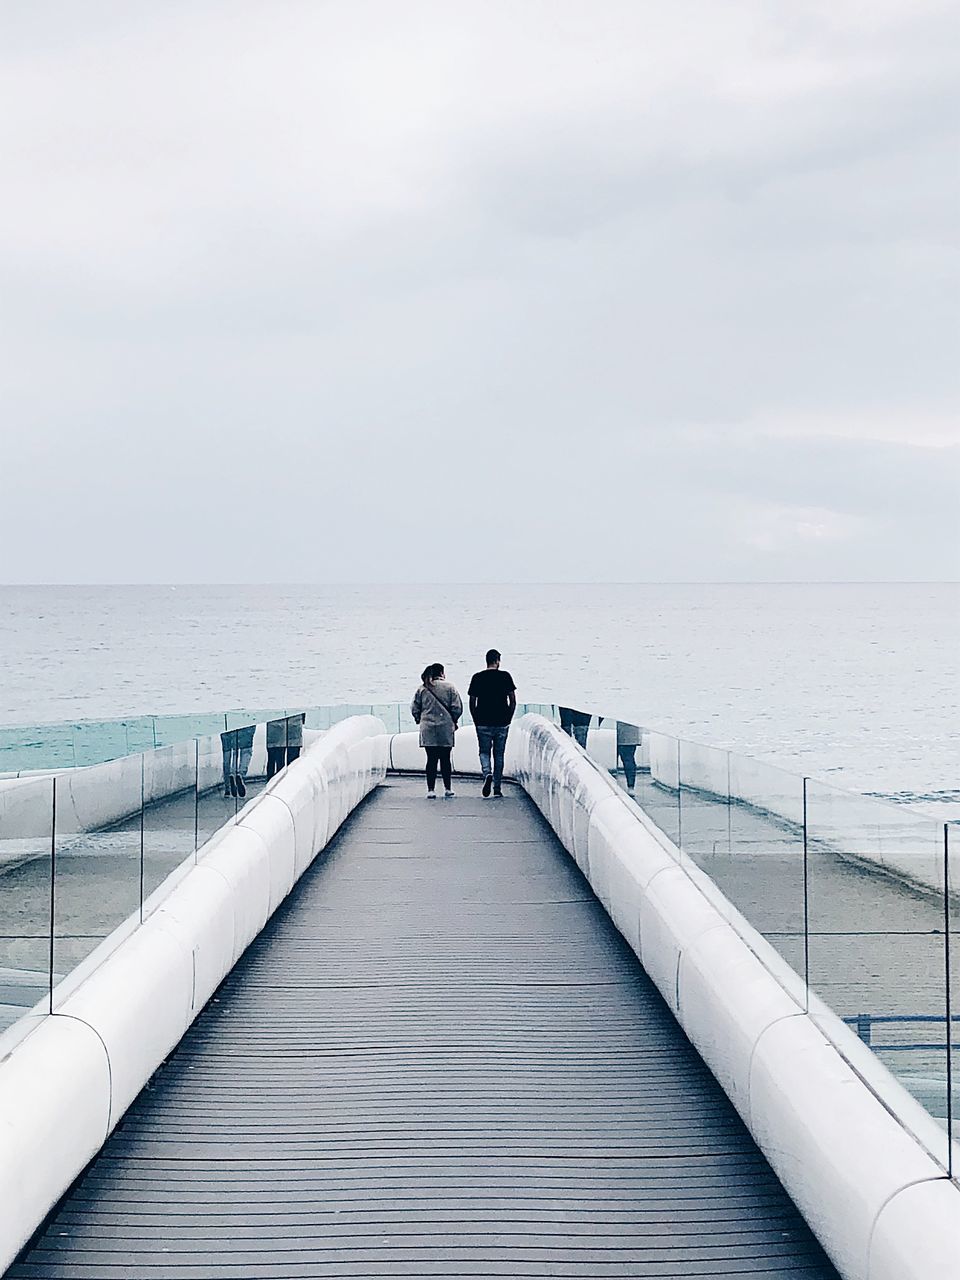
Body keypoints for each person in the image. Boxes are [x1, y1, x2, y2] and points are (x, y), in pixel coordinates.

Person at [468, 648, 517, 798]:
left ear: (487, 660)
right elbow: (513, 700)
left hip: (482, 721)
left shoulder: (477, 677)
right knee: (499, 755)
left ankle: (487, 773)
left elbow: (472, 701)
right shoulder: (505, 676)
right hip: (501, 721)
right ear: (497, 661)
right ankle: (497, 788)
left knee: (484, 751)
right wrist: (509, 717)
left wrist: (476, 718)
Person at [411, 663, 462, 798]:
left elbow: (414, 708)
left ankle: (431, 790)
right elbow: (457, 707)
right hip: (445, 727)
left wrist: (419, 719)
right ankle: (447, 788)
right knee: (445, 758)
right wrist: (453, 720)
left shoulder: (422, 689)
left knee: (431, 759)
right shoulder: (450, 687)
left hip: (428, 728)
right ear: (442, 673)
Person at [616, 721, 641, 792]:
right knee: (629, 759)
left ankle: (630, 786)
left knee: (627, 759)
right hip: (631, 733)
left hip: (623, 732)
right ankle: (631, 786)